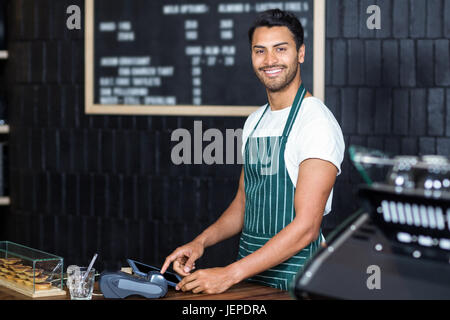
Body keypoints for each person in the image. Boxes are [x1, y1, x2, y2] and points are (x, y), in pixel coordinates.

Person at [161, 8, 345, 292]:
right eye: (260, 51)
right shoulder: (255, 121)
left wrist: (229, 274)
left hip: (299, 281)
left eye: (280, 49)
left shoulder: (316, 123)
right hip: (252, 277)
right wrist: (200, 242)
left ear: (301, 53)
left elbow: (307, 227)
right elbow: (244, 203)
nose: (270, 60)